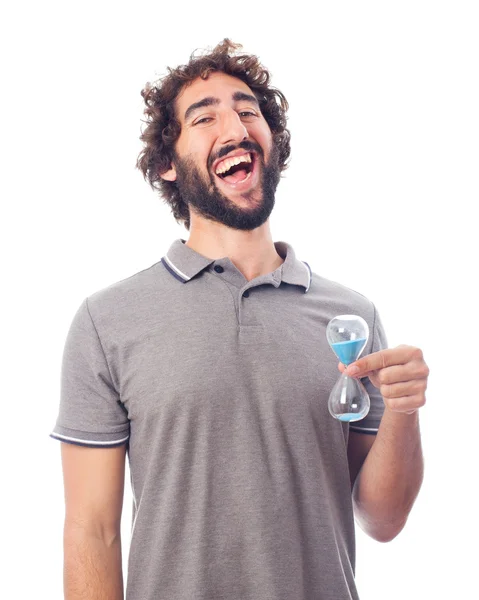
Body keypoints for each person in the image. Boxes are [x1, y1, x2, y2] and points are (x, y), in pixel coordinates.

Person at [50, 39, 429, 600]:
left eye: (248, 111)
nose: (235, 127)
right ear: (167, 165)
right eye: (204, 117)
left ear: (272, 146)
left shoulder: (351, 316)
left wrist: (404, 410)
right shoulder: (107, 321)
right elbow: (92, 532)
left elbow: (383, 520)